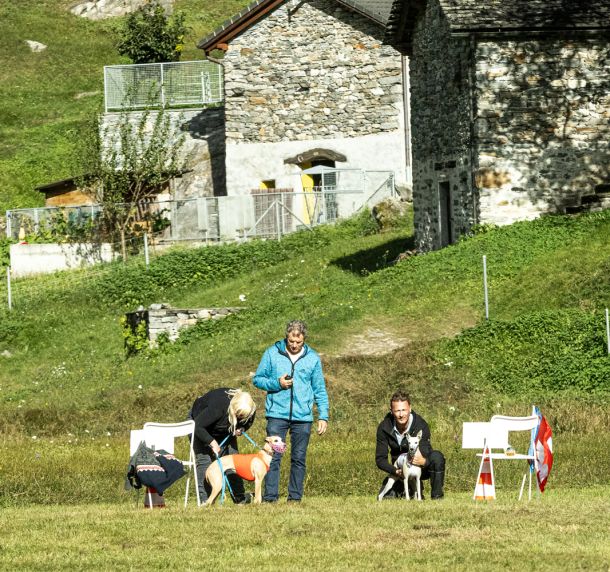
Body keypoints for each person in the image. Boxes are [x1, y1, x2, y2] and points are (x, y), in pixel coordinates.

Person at [253, 319, 329, 502]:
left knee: (299, 458)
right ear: (286, 337)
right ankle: (270, 498)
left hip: (303, 417)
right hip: (276, 415)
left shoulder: (312, 358)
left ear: (304, 340)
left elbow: (319, 389)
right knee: (273, 457)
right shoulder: (272, 353)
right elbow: (258, 379)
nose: (294, 345)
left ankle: (294, 498)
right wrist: (277, 383)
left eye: (298, 342)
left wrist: (323, 415)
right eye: (291, 341)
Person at [189, 387, 256, 504]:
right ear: (234, 407)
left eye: (242, 416)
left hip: (223, 428)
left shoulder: (249, 409)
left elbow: (248, 422)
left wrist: (241, 428)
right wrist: (211, 442)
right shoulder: (219, 406)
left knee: (234, 461)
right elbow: (198, 426)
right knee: (205, 461)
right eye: (238, 414)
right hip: (199, 426)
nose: (240, 417)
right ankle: (205, 501)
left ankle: (240, 499)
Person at [375, 389, 445, 500]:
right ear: (391, 411)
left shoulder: (421, 425)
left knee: (437, 457)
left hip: (420, 466)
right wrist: (395, 471)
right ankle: (408, 489)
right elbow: (380, 459)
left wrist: (424, 462)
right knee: (388, 498)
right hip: (399, 469)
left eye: (404, 410)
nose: (401, 414)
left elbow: (425, 450)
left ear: (410, 408)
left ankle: (437, 497)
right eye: (397, 411)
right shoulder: (384, 427)